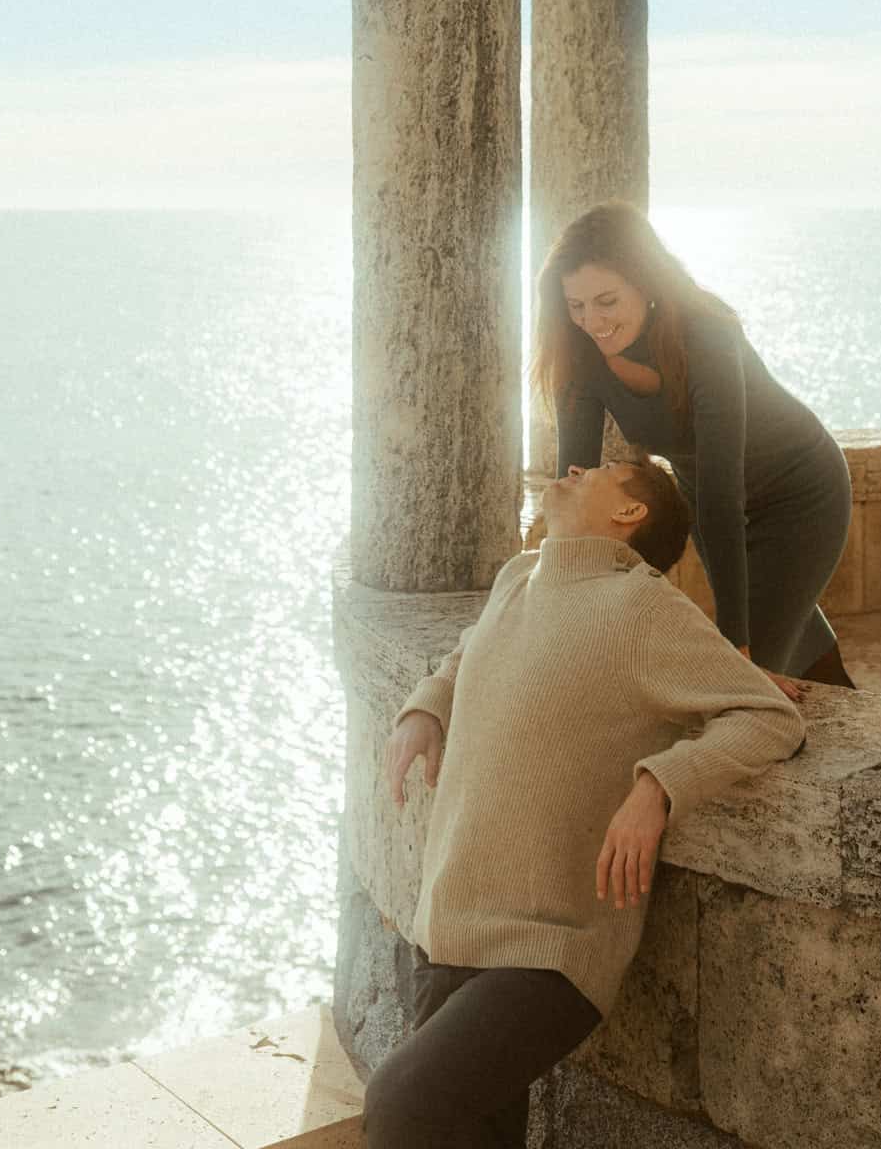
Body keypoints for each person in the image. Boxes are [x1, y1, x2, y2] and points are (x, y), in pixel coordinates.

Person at [364, 456, 804, 1149]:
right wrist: (425, 709)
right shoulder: (520, 575)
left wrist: (659, 785)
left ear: (630, 514)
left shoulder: (641, 604)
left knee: (402, 1103)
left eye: (601, 469)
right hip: (448, 925)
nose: (572, 467)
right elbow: (466, 656)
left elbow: (765, 716)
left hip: (550, 949)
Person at [532, 201, 855, 690]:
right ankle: (845, 708)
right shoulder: (580, 356)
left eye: (607, 301)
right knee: (785, 637)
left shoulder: (707, 333)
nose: (592, 321)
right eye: (576, 305)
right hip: (705, 498)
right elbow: (572, 481)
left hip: (801, 495)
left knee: (743, 675)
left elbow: (724, 488)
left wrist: (736, 642)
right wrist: (541, 607)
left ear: (645, 282)